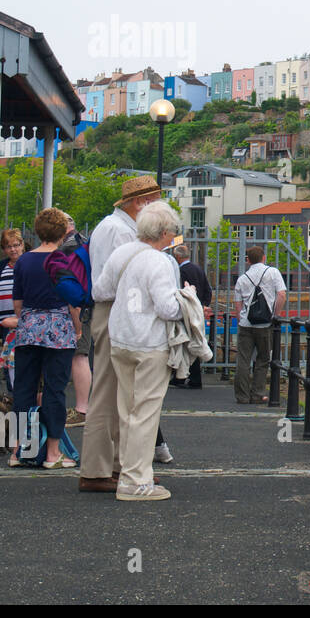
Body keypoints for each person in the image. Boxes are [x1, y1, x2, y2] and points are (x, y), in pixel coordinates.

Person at [92, 201, 184, 501]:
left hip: (121, 341)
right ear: (163, 232)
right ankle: (136, 480)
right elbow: (168, 309)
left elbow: (99, 292)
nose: (173, 238)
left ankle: (127, 474)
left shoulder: (122, 253)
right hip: (150, 344)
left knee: (128, 410)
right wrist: (188, 299)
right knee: (145, 413)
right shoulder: (159, 262)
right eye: (173, 232)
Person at [78, 175, 162, 493]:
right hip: (115, 311)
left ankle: (107, 467)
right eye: (155, 202)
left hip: (112, 310)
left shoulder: (113, 227)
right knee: (108, 393)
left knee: (115, 393)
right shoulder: (119, 231)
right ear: (140, 203)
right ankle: (97, 470)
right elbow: (126, 277)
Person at [10, 208, 82, 469]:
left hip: (29, 327)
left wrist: (28, 319)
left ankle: (19, 449)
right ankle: (53, 452)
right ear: (63, 232)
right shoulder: (64, 260)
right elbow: (73, 301)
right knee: (55, 390)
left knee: (23, 389)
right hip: (59, 330)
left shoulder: (24, 261)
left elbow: (17, 302)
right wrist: (77, 328)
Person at [50, 213, 92, 428]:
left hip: (78, 307)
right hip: (87, 305)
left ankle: (82, 409)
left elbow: (70, 282)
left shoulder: (67, 248)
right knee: (81, 355)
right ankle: (83, 407)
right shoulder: (83, 241)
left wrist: (76, 320)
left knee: (79, 355)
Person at [233, 245, 287, 404]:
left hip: (246, 323)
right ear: (264, 258)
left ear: (248, 260)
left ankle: (242, 396)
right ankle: (258, 393)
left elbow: (238, 303)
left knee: (243, 360)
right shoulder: (273, 272)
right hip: (265, 324)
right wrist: (275, 315)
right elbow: (282, 295)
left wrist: (240, 318)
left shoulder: (242, 278)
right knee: (263, 359)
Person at [169, 244, 211, 389]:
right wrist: (204, 304)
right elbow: (207, 288)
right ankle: (191, 377)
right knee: (196, 341)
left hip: (186, 312)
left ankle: (183, 377)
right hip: (198, 311)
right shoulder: (198, 269)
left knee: (183, 343)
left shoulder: (181, 271)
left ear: (178, 256)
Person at [0, 229, 25, 393]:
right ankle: (12, 395)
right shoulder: (1, 267)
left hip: (22, 321)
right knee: (8, 362)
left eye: (16, 245)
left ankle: (23, 396)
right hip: (5, 322)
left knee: (22, 361)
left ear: (22, 245)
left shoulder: (26, 264)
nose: (13, 249)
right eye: (8, 247)